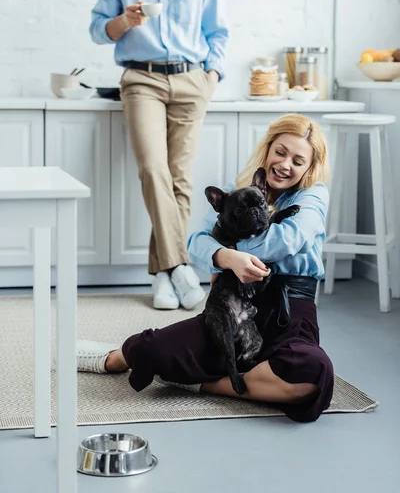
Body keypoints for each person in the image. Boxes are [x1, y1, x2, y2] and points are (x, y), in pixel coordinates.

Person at [76, 114, 334, 423]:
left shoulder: (312, 196)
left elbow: (284, 241)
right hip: (231, 308)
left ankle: (202, 382)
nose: (285, 164)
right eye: (280, 152)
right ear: (268, 149)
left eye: (298, 160)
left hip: (289, 313)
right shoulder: (236, 187)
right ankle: (113, 358)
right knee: (152, 349)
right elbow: (194, 242)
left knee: (312, 374)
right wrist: (226, 259)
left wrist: (225, 250)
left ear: (309, 167)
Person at [89, 0, 229, 310]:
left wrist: (212, 77)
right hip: (141, 78)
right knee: (154, 170)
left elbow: (218, 32)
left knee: (180, 179)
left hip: (191, 79)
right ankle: (181, 264)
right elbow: (98, 30)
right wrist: (126, 22)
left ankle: (163, 278)